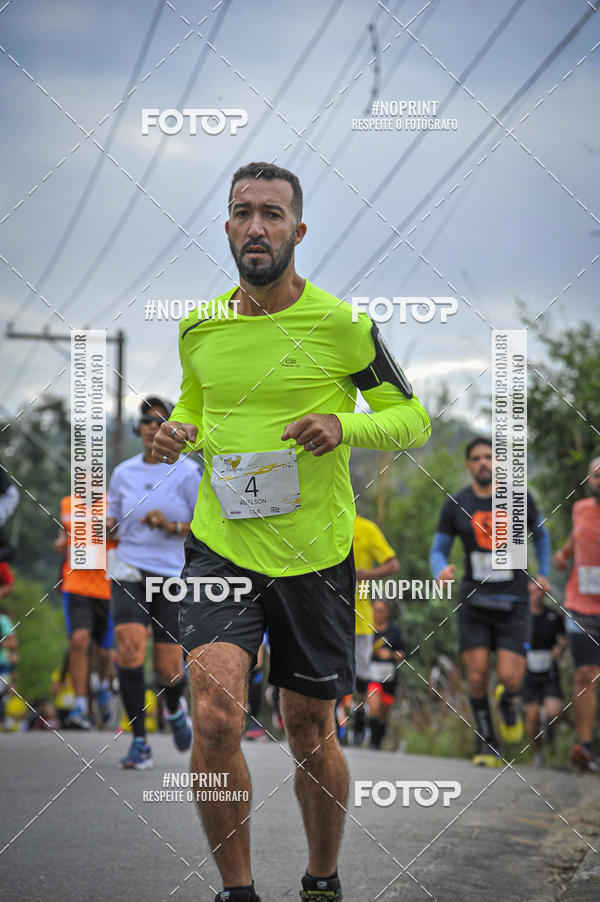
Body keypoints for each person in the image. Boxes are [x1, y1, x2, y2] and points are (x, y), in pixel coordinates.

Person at [152, 161, 431, 902]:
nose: (256, 226)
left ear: (297, 231)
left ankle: (321, 877)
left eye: (271, 214)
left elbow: (412, 419)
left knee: (308, 724)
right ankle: (237, 892)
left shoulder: (343, 326)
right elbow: (197, 405)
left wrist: (343, 424)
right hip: (221, 544)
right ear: (227, 227)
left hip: (314, 553)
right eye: (243, 212)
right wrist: (181, 430)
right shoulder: (198, 328)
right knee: (215, 712)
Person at [430, 436, 551, 767]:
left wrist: (543, 573)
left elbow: (541, 536)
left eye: (489, 457)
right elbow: (438, 549)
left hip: (515, 602)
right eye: (477, 458)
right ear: (469, 465)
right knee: (477, 676)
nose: (483, 462)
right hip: (474, 602)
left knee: (511, 678)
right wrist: (440, 570)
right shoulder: (456, 504)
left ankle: (508, 701)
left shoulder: (519, 498)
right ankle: (487, 743)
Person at [107, 395, 202, 769]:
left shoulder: (188, 473)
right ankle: (139, 741)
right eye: (147, 420)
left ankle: (175, 708)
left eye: (162, 421)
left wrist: (171, 525)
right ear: (139, 428)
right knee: (130, 648)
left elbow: (205, 527)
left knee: (168, 669)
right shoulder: (123, 473)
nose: (153, 427)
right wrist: (104, 526)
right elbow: (113, 519)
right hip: (129, 568)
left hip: (172, 573)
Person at [53, 493, 117, 729]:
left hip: (108, 586)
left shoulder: (113, 502)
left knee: (103, 653)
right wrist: (61, 541)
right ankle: (80, 706)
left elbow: (124, 537)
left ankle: (104, 689)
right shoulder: (67, 503)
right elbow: (64, 534)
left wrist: (110, 529)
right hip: (76, 584)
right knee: (79, 640)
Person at [554, 454, 600, 774]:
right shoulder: (580, 508)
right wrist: (565, 551)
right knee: (585, 674)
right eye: (597, 475)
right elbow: (577, 534)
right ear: (589, 481)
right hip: (580, 605)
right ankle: (585, 748)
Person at [351, 514, 399, 745]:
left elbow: (393, 564)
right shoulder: (320, 523)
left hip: (359, 616)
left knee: (361, 674)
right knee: (327, 669)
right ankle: (330, 723)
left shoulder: (366, 529)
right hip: (326, 613)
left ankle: (360, 712)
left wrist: (368, 575)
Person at [521, 579, 566, 767]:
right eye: (531, 591)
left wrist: (559, 649)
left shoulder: (553, 615)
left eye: (539, 590)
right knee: (531, 718)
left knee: (554, 712)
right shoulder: (521, 617)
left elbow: (564, 637)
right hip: (527, 671)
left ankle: (550, 730)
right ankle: (537, 754)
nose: (535, 594)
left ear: (544, 592)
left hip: (549, 670)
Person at [367, 599, 405, 750]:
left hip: (389, 676)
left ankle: (378, 741)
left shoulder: (394, 630)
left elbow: (402, 654)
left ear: (387, 612)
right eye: (375, 610)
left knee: (384, 712)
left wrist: (390, 654)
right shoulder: (367, 628)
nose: (377, 614)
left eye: (380, 610)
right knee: (374, 707)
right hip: (371, 674)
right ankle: (372, 742)